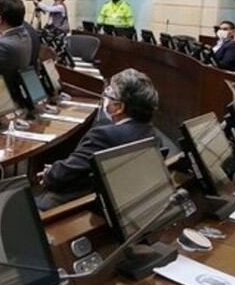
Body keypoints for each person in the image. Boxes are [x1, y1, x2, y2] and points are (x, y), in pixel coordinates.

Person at [35, 68, 160, 210]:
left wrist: (50, 173)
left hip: (85, 205)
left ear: (119, 107)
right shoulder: (152, 135)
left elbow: (64, 175)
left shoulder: (104, 135)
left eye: (110, 93)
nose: (105, 96)